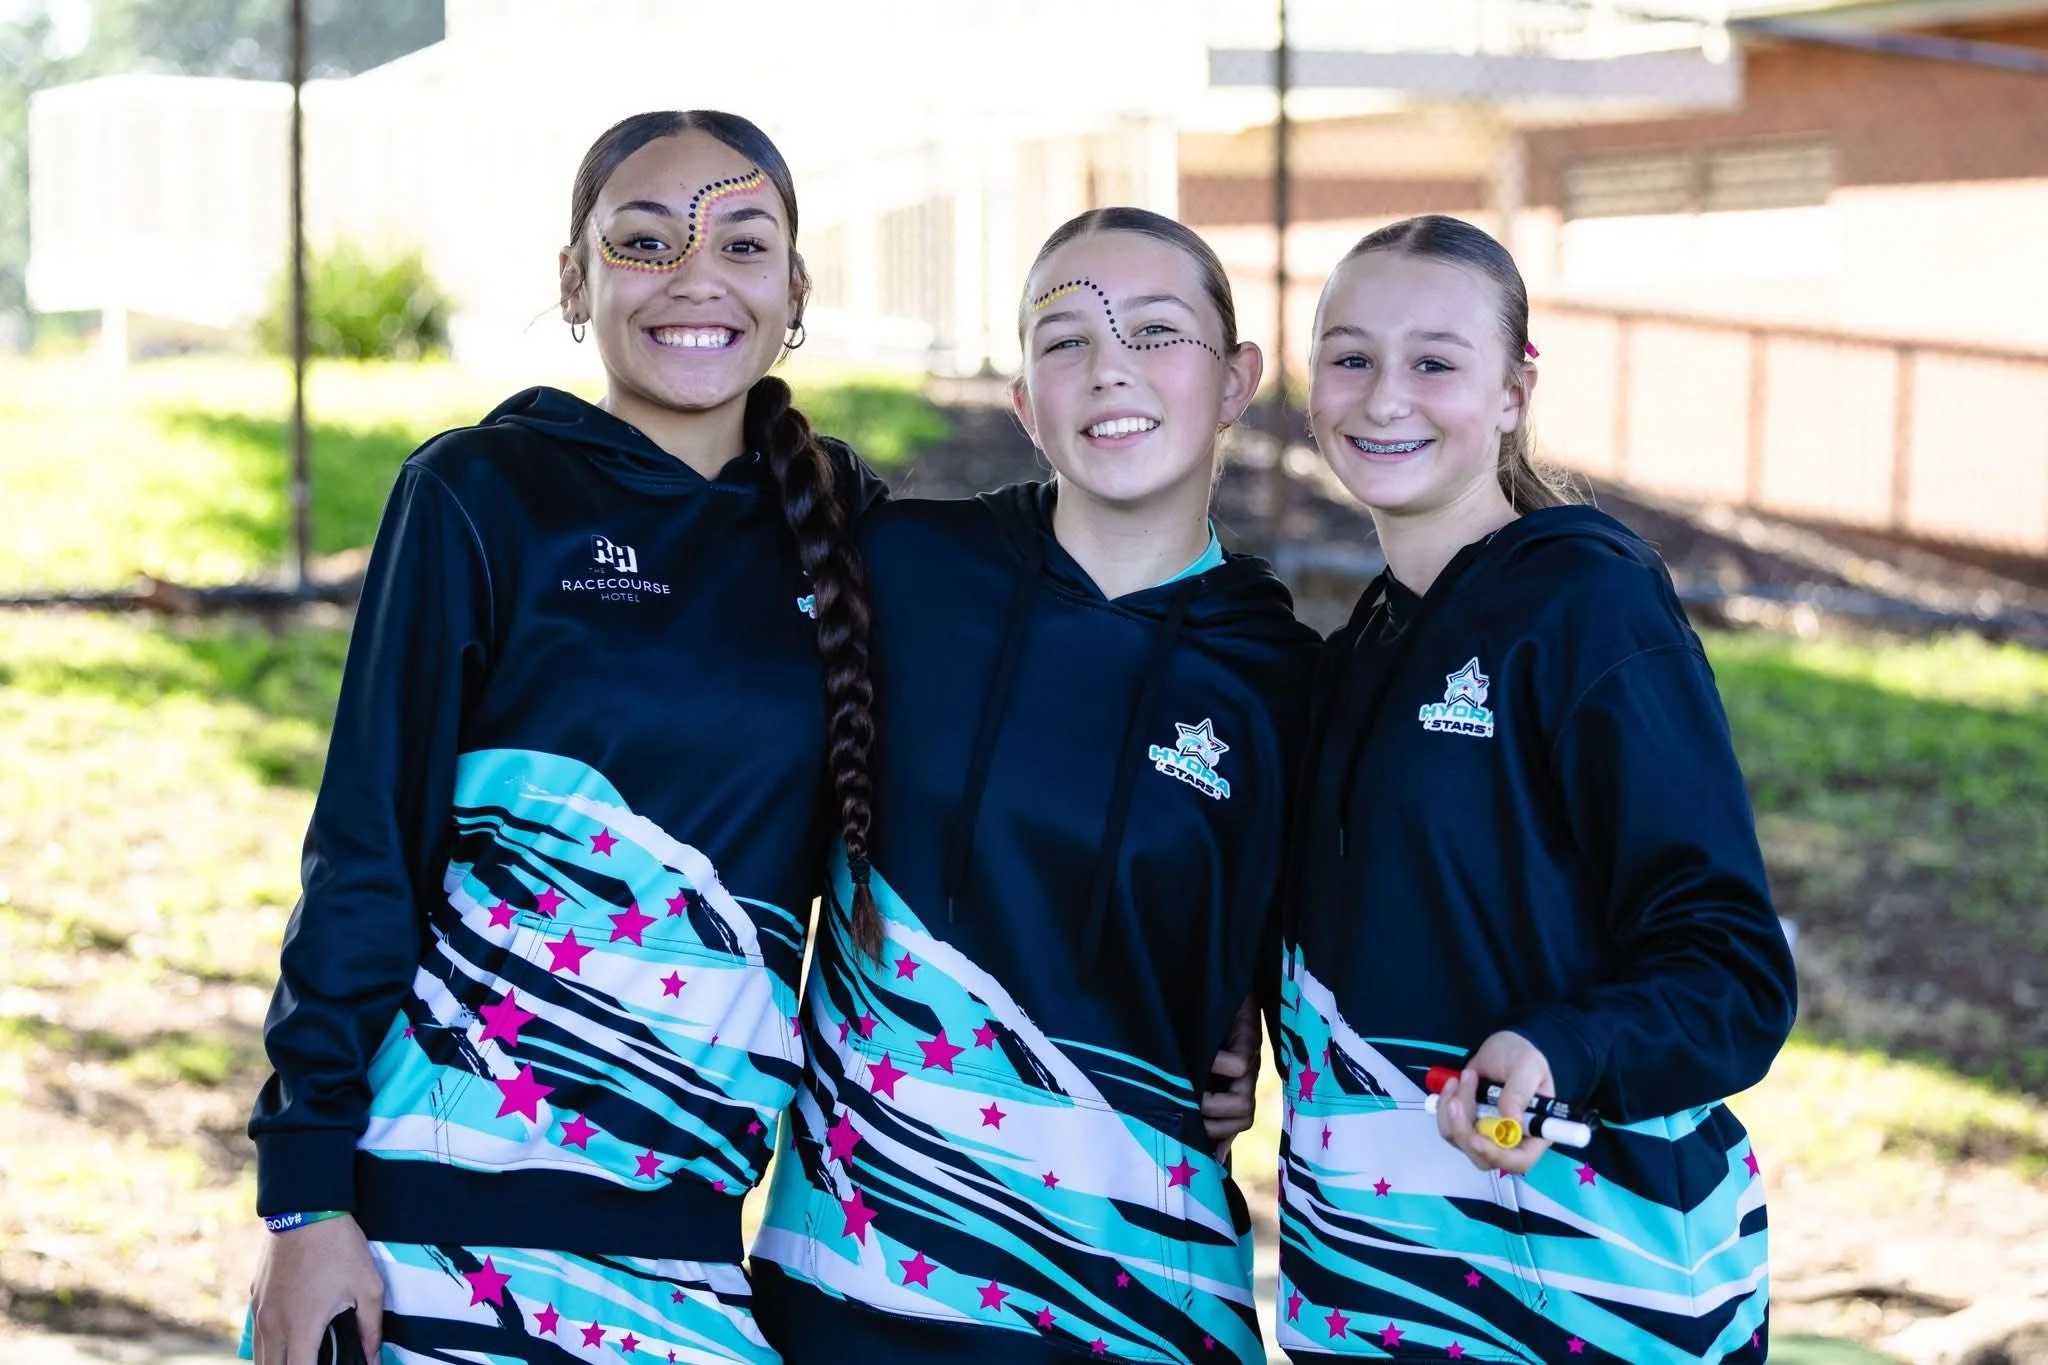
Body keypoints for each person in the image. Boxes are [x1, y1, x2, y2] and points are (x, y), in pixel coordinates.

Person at [243, 109, 881, 1365]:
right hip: (423, 1230)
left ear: (795, 288)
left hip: (688, 1249)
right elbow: (365, 848)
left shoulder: (853, 531)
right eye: (644, 242)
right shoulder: (481, 494)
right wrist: (303, 1197)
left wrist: (1201, 1007)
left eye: (742, 244)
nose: (695, 277)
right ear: (573, 279)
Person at [750, 207, 1319, 1364]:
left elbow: (1299, 951)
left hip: (1140, 1300)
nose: (1109, 365)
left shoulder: (1289, 683)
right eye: (1063, 339)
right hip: (860, 1279)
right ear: (1024, 401)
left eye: (1156, 332)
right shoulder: (896, 574)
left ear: (1236, 380)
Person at [1273, 213, 1797, 1363]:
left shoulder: (1586, 604)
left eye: (1432, 362)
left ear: (1512, 391)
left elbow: (1732, 972)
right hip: (1373, 1278)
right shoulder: (1363, 640)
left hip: (1584, 1291)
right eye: (1349, 356)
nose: (1381, 396)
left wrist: (1557, 1052)